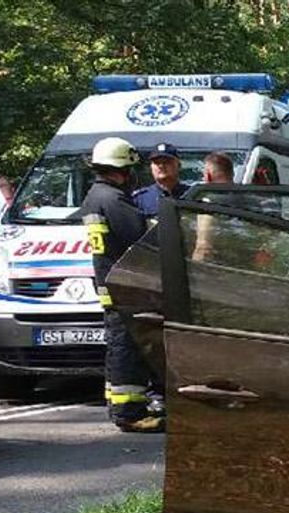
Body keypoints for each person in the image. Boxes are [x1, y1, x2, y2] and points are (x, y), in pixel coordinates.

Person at [76, 137, 162, 433]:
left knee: (118, 346)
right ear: (122, 169)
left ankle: (120, 404)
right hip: (124, 286)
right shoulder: (114, 200)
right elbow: (141, 239)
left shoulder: (94, 196)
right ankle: (130, 412)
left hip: (110, 283)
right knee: (127, 348)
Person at [133, 143, 190, 219]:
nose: (161, 166)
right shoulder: (140, 199)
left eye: (166, 162)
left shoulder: (191, 195)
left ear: (178, 166)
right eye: (156, 163)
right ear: (151, 167)